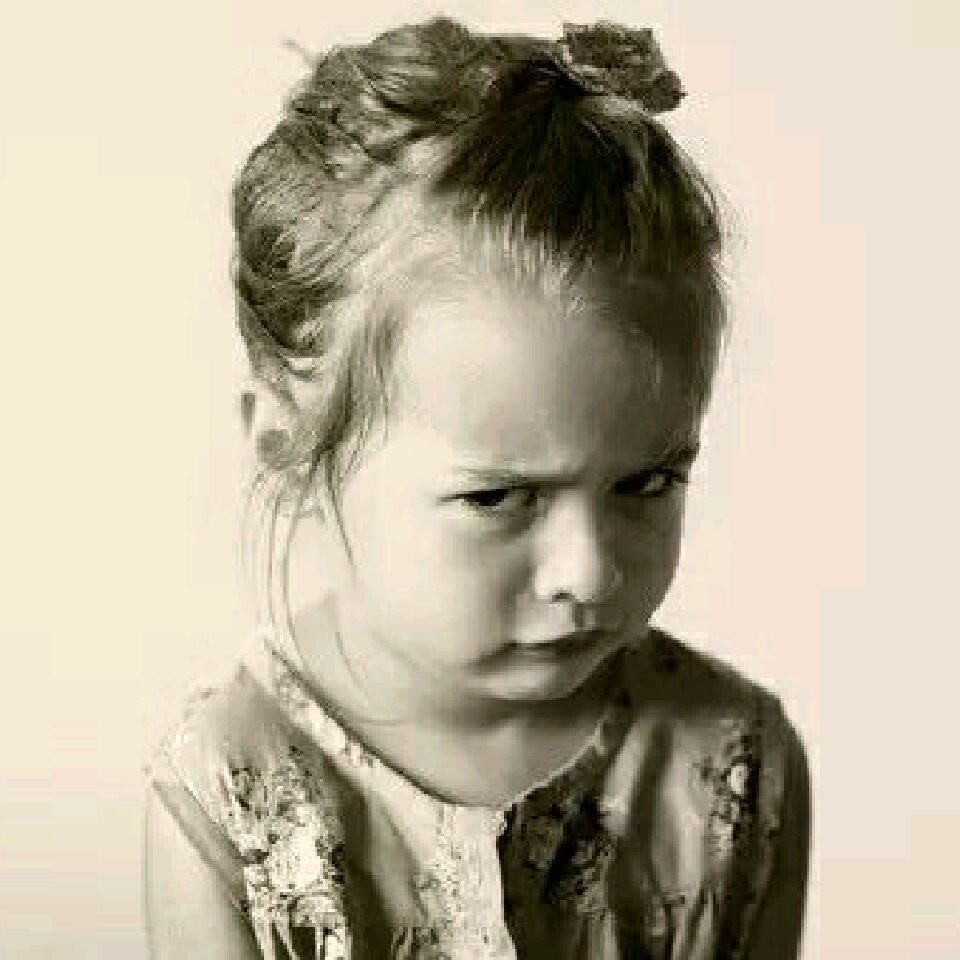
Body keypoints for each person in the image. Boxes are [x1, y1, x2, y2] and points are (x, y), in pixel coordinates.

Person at [144, 16, 810, 959]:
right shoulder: (226, 796)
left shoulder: (734, 766)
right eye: (499, 498)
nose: (589, 572)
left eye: (648, 481)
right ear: (290, 444)